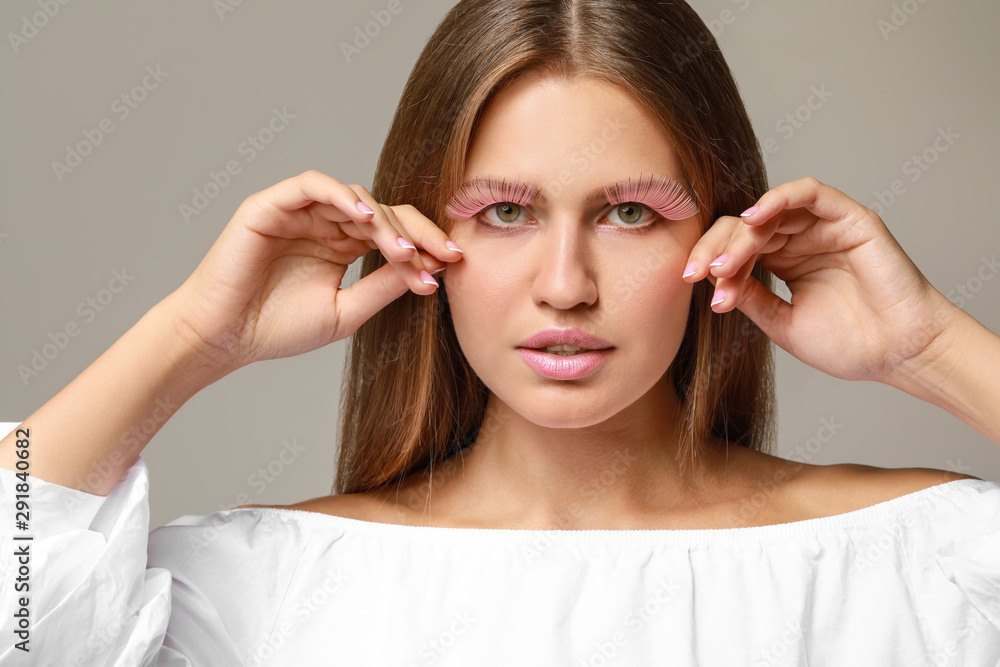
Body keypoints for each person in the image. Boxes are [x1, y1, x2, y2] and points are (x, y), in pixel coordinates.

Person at [2, 0, 999, 664]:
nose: (564, 286)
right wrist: (191, 335)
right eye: (506, 214)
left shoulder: (920, 561)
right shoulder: (263, 588)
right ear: (419, 232)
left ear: (723, 232)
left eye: (629, 213)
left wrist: (932, 349)